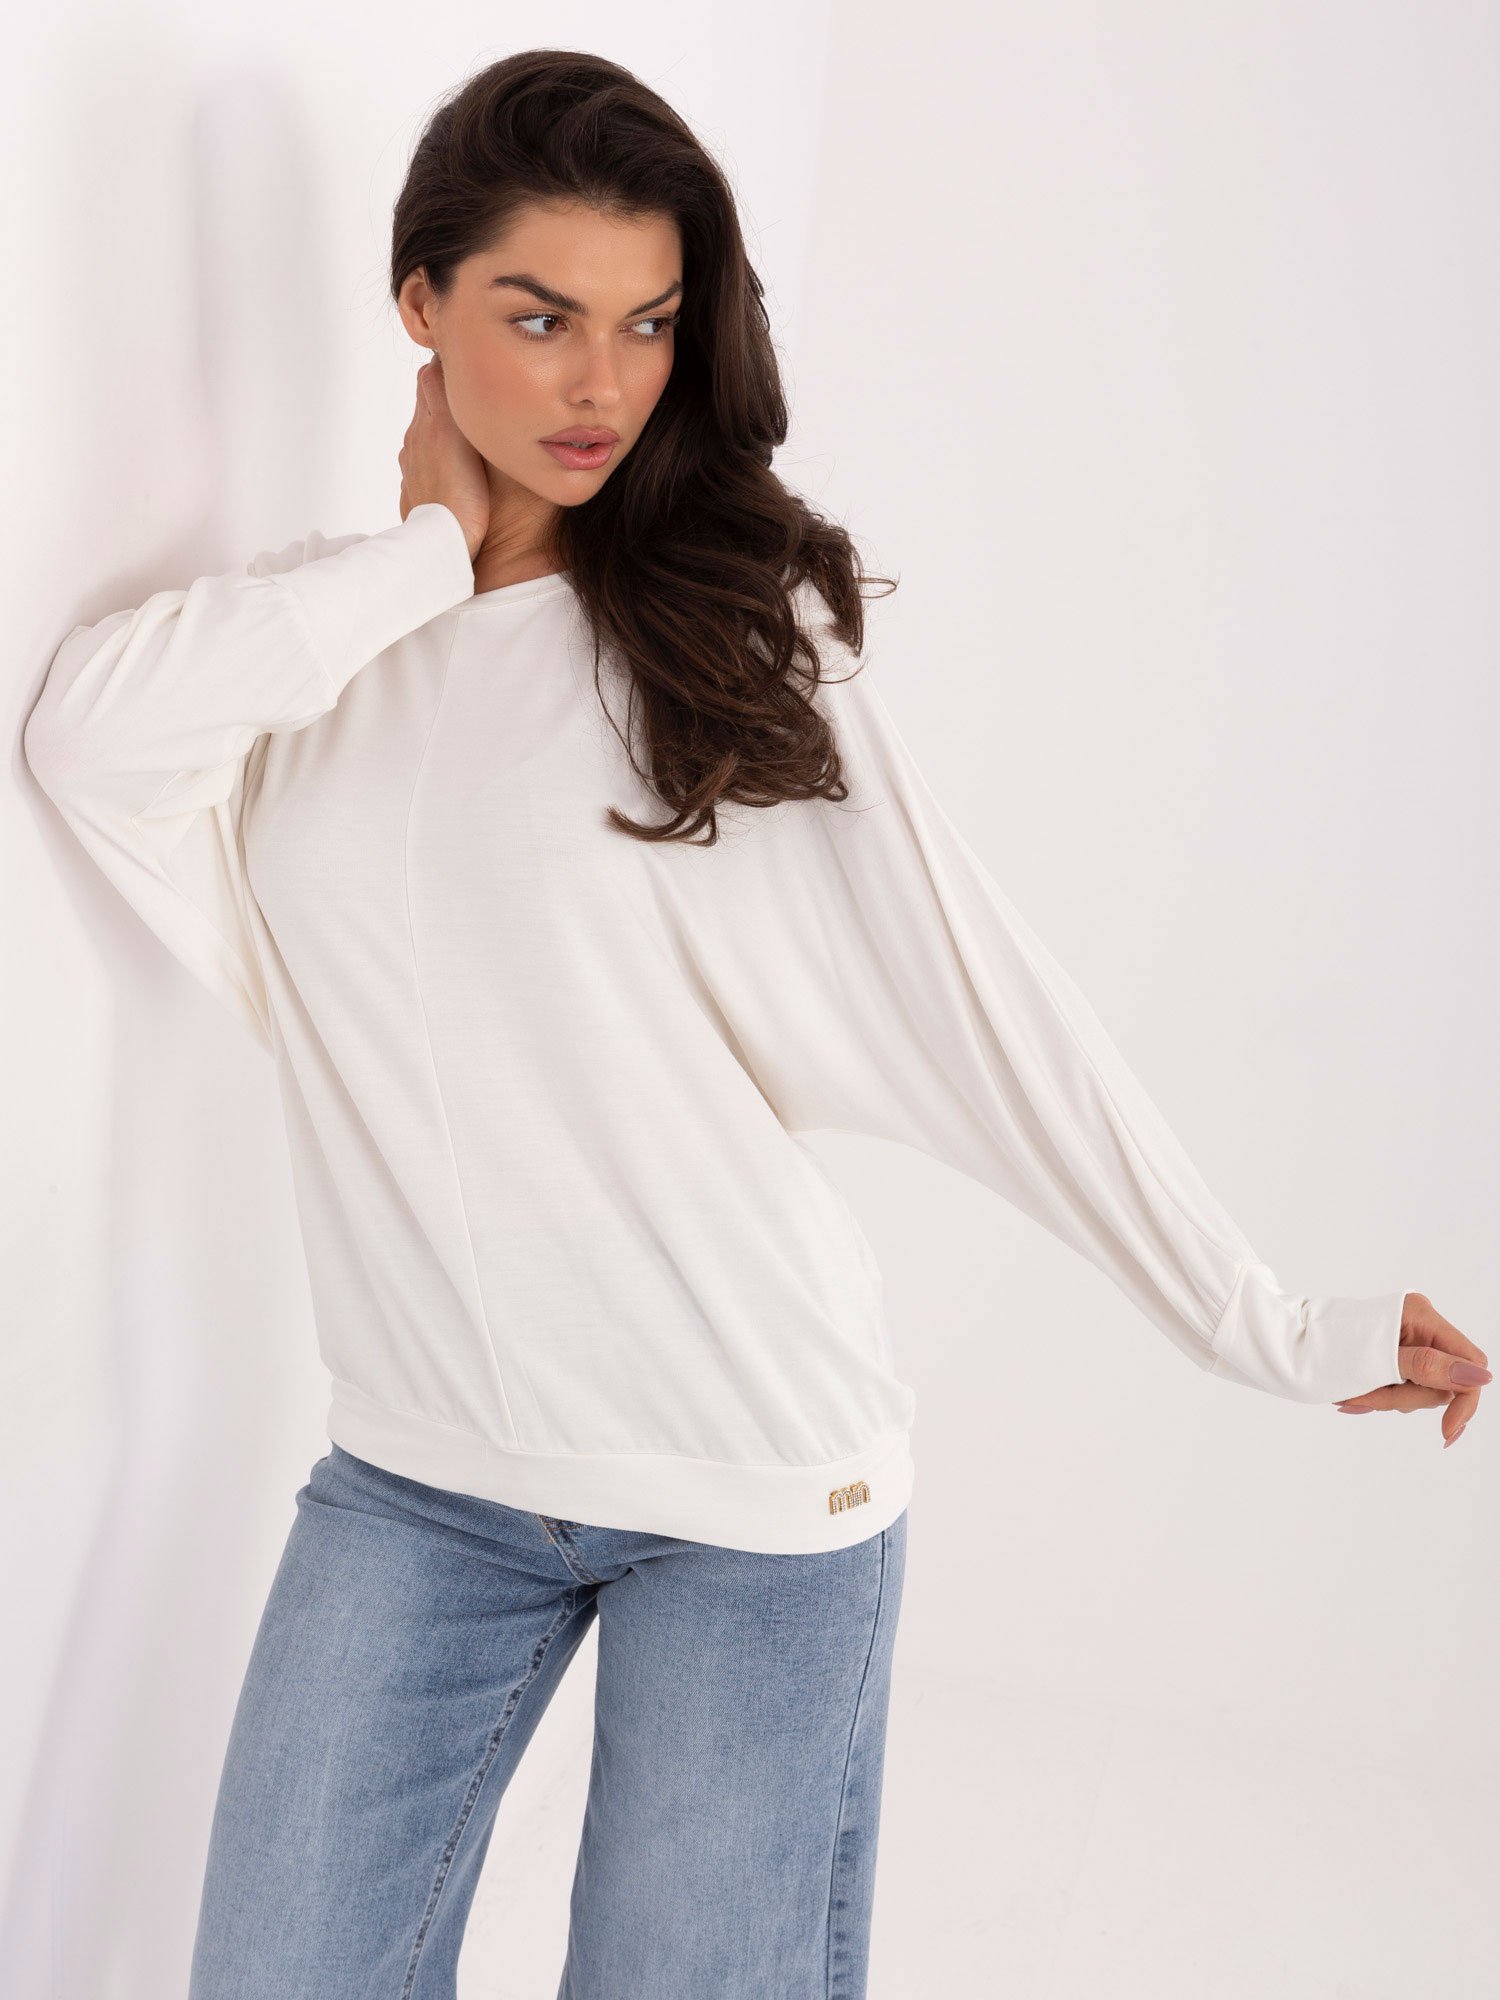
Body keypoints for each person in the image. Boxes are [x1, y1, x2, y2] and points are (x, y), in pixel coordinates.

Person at [21, 47, 1487, 2000]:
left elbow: (986, 1008)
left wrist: (1273, 1323)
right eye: (538, 316)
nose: (601, 383)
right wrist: (423, 555)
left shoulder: (722, 650)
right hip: (420, 1478)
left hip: (748, 1486)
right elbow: (90, 743)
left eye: (648, 323)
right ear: (418, 304)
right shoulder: (326, 644)